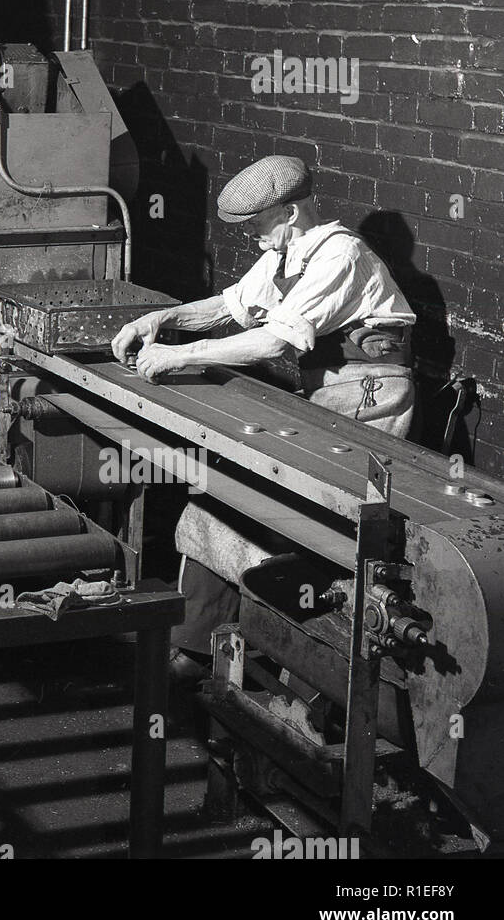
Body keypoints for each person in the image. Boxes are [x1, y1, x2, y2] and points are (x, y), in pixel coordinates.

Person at [109, 154, 416, 674]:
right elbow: (230, 305)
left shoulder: (339, 255)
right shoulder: (286, 255)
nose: (253, 236)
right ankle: (199, 647)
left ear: (291, 214)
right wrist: (161, 318)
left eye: (258, 224)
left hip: (370, 396)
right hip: (328, 389)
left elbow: (275, 341)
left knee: (316, 524)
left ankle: (307, 664)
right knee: (229, 500)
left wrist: (180, 356)